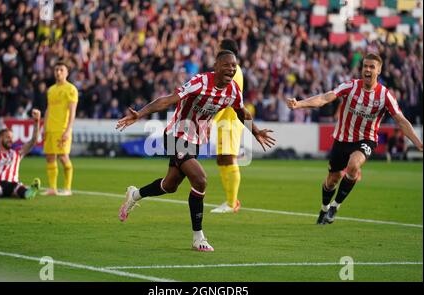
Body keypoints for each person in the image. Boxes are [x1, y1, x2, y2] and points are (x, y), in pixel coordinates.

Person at [116, 50, 276, 251]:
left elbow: (241, 112)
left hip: (196, 141)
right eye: (227, 65)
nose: (232, 69)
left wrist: (256, 131)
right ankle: (198, 238)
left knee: (169, 185)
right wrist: (139, 114)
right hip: (176, 135)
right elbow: (168, 99)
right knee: (200, 179)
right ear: (216, 66)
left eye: (234, 66)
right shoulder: (200, 82)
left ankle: (135, 194)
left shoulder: (233, 90)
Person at [287, 53, 423, 225]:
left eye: (372, 67)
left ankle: (335, 206)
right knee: (332, 180)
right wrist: (299, 104)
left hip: (366, 139)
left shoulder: (384, 96)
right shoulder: (350, 86)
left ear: (379, 70)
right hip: (342, 139)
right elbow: (324, 98)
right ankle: (324, 209)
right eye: (365, 66)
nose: (367, 69)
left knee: (354, 165)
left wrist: (418, 142)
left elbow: (401, 121)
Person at [211, 39, 245, 214]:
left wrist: (210, 118)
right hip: (224, 120)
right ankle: (230, 201)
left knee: (229, 157)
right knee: (222, 159)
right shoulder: (234, 69)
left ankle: (232, 203)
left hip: (230, 120)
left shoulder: (233, 70)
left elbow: (226, 97)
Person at [0, 106, 41, 200]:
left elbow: (33, 141)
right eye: (8, 137)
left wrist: (37, 121)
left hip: (13, 184)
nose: (11, 140)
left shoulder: (17, 152)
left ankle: (28, 193)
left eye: (12, 138)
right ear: (0, 138)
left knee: (19, 188)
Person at [43, 60, 78, 196]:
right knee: (50, 157)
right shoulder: (51, 90)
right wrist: (44, 128)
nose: (58, 72)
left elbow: (72, 111)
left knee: (63, 157)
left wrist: (68, 130)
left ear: (67, 72)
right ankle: (52, 188)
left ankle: (67, 189)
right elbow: (48, 110)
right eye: (56, 70)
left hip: (62, 128)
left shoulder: (71, 89)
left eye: (61, 70)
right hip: (50, 129)